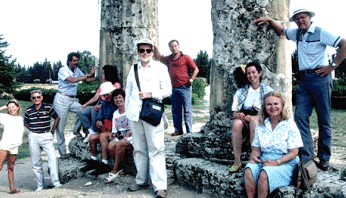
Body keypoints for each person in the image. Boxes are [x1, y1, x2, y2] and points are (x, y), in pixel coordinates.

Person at [254, 7, 346, 170]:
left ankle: (324, 158)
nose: (300, 20)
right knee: (300, 118)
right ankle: (307, 157)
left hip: (321, 78)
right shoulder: (297, 33)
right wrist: (269, 20)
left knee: (324, 119)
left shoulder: (320, 32)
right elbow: (282, 31)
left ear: (310, 17)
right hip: (304, 79)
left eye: (303, 17)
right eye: (297, 18)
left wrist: (332, 66)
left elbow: (343, 43)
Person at [126, 38, 172, 198]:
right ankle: (141, 180)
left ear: (152, 52)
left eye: (148, 50)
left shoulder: (161, 68)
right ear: (138, 52)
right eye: (141, 50)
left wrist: (151, 94)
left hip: (151, 113)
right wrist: (128, 113)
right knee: (139, 149)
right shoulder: (133, 69)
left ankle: (160, 186)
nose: (145, 53)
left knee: (156, 149)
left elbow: (168, 90)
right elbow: (128, 92)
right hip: (135, 114)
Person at [244, 91, 303, 198]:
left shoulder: (289, 124)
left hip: (285, 163)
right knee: (249, 170)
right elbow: (256, 149)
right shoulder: (261, 125)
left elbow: (294, 152)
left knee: (264, 174)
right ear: (264, 107)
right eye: (269, 104)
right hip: (265, 160)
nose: (273, 107)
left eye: (276, 104)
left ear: (282, 105)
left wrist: (276, 162)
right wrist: (254, 156)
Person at [229, 62, 273, 172]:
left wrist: (257, 117)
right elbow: (234, 111)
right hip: (245, 116)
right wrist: (238, 115)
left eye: (254, 72)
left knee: (254, 123)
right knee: (236, 123)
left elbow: (271, 111)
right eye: (248, 73)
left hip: (260, 117)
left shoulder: (267, 90)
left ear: (259, 73)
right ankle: (237, 161)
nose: (251, 75)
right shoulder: (241, 91)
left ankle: (253, 158)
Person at [53, 52, 98, 158]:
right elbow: (72, 80)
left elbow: (86, 80)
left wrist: (98, 78)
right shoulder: (63, 70)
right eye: (74, 61)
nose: (76, 63)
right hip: (62, 99)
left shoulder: (77, 70)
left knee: (83, 110)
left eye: (77, 61)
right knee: (61, 126)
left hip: (72, 99)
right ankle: (62, 152)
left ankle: (75, 130)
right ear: (69, 61)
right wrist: (87, 75)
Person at [154, 40, 199, 136]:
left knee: (187, 110)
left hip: (185, 87)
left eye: (175, 46)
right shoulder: (169, 59)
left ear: (178, 46)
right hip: (173, 88)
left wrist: (191, 79)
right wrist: (154, 46)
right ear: (169, 48)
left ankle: (189, 132)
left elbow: (196, 69)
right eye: (171, 46)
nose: (173, 48)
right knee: (175, 110)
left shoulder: (185, 57)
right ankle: (178, 130)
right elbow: (159, 57)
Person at [24, 90, 62, 191]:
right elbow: (26, 122)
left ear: (42, 97)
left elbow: (57, 117)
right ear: (30, 99)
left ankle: (56, 182)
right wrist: (33, 129)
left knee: (52, 158)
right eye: (33, 97)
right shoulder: (28, 110)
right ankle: (40, 185)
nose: (36, 99)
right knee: (36, 162)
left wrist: (52, 130)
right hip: (34, 136)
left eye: (38, 97)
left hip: (46, 135)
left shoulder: (48, 107)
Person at [80, 81, 117, 175]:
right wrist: (98, 121)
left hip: (114, 130)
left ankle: (105, 163)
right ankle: (94, 160)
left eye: (107, 94)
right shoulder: (104, 104)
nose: (106, 96)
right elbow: (99, 117)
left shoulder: (116, 103)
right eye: (104, 95)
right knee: (92, 138)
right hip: (106, 129)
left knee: (103, 136)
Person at [76, 65, 121, 142]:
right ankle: (90, 131)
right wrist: (85, 105)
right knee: (80, 111)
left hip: (105, 105)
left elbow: (114, 98)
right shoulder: (103, 85)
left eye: (103, 73)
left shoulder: (115, 85)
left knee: (94, 110)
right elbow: (96, 97)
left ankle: (95, 131)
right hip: (100, 103)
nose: (102, 74)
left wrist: (101, 105)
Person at [98, 89, 133, 184]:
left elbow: (136, 125)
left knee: (120, 144)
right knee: (111, 146)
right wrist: (114, 135)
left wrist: (130, 132)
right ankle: (120, 166)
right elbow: (115, 131)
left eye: (120, 97)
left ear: (124, 99)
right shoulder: (115, 113)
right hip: (121, 136)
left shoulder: (130, 110)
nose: (118, 100)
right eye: (116, 98)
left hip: (132, 136)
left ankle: (115, 170)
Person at [0, 100, 24, 194]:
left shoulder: (20, 118)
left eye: (13, 107)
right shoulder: (5, 117)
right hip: (4, 146)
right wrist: (3, 107)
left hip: (15, 146)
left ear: (17, 107)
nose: (11, 109)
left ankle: (12, 189)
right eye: (9, 108)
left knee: (11, 168)